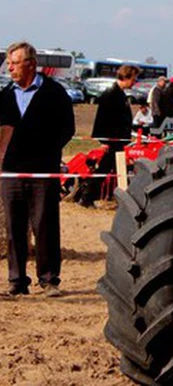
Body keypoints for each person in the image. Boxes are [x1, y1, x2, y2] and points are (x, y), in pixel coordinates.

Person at [0, 41, 75, 297]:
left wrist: (47, 153)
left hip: (43, 171)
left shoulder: (54, 93)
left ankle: (49, 280)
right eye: (8, 63)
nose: (9, 68)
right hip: (10, 172)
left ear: (30, 64)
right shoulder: (6, 96)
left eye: (14, 63)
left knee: (45, 225)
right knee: (14, 228)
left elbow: (68, 128)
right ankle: (17, 281)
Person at [82, 65, 139, 208]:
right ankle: (87, 197)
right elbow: (102, 119)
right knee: (104, 169)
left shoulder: (120, 94)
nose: (135, 81)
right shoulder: (111, 94)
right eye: (133, 78)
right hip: (111, 141)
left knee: (117, 169)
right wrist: (103, 141)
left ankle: (120, 199)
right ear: (125, 77)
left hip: (119, 140)